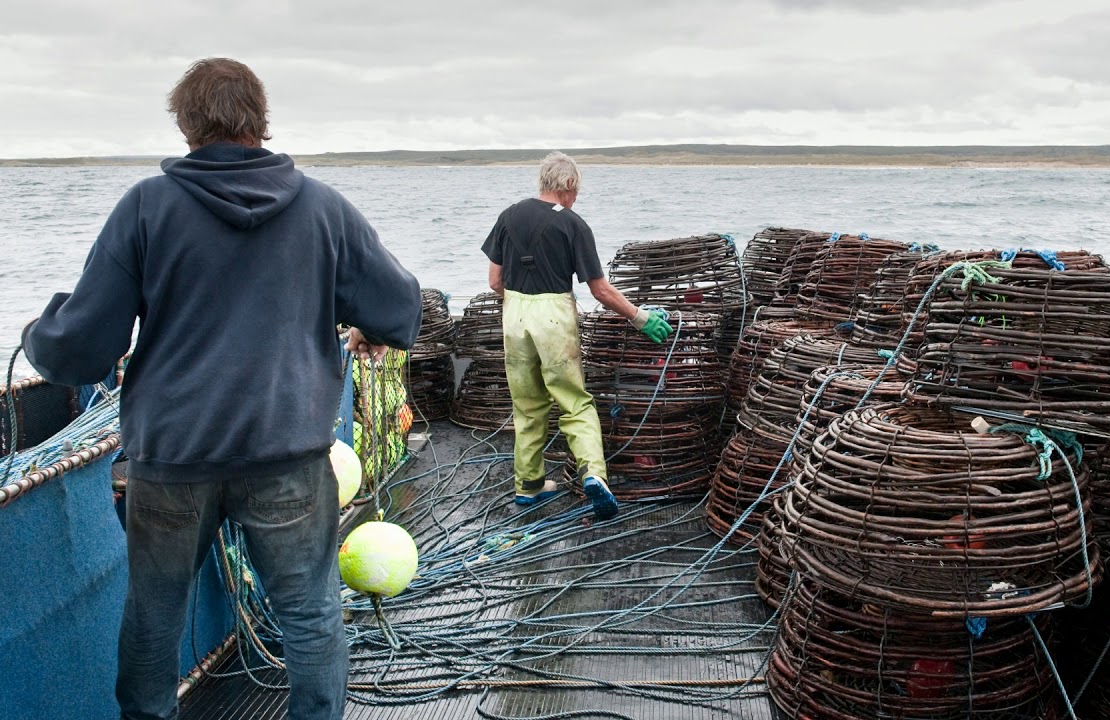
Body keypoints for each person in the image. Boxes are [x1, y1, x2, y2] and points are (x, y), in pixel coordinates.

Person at [21, 58, 421, 720]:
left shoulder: (146, 209)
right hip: (289, 456)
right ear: (260, 121)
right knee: (311, 617)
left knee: (155, 616)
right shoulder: (324, 208)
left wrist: (41, 333)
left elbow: (83, 347)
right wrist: (360, 323)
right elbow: (396, 306)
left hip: (174, 458)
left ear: (185, 125)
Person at [481, 151, 671, 519]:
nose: (575, 198)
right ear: (568, 185)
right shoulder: (573, 225)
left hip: (514, 316)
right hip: (553, 317)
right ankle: (594, 475)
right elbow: (600, 290)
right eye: (576, 191)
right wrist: (640, 317)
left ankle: (528, 486)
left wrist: (523, 302)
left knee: (527, 405)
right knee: (575, 402)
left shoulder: (508, 216)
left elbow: (494, 282)